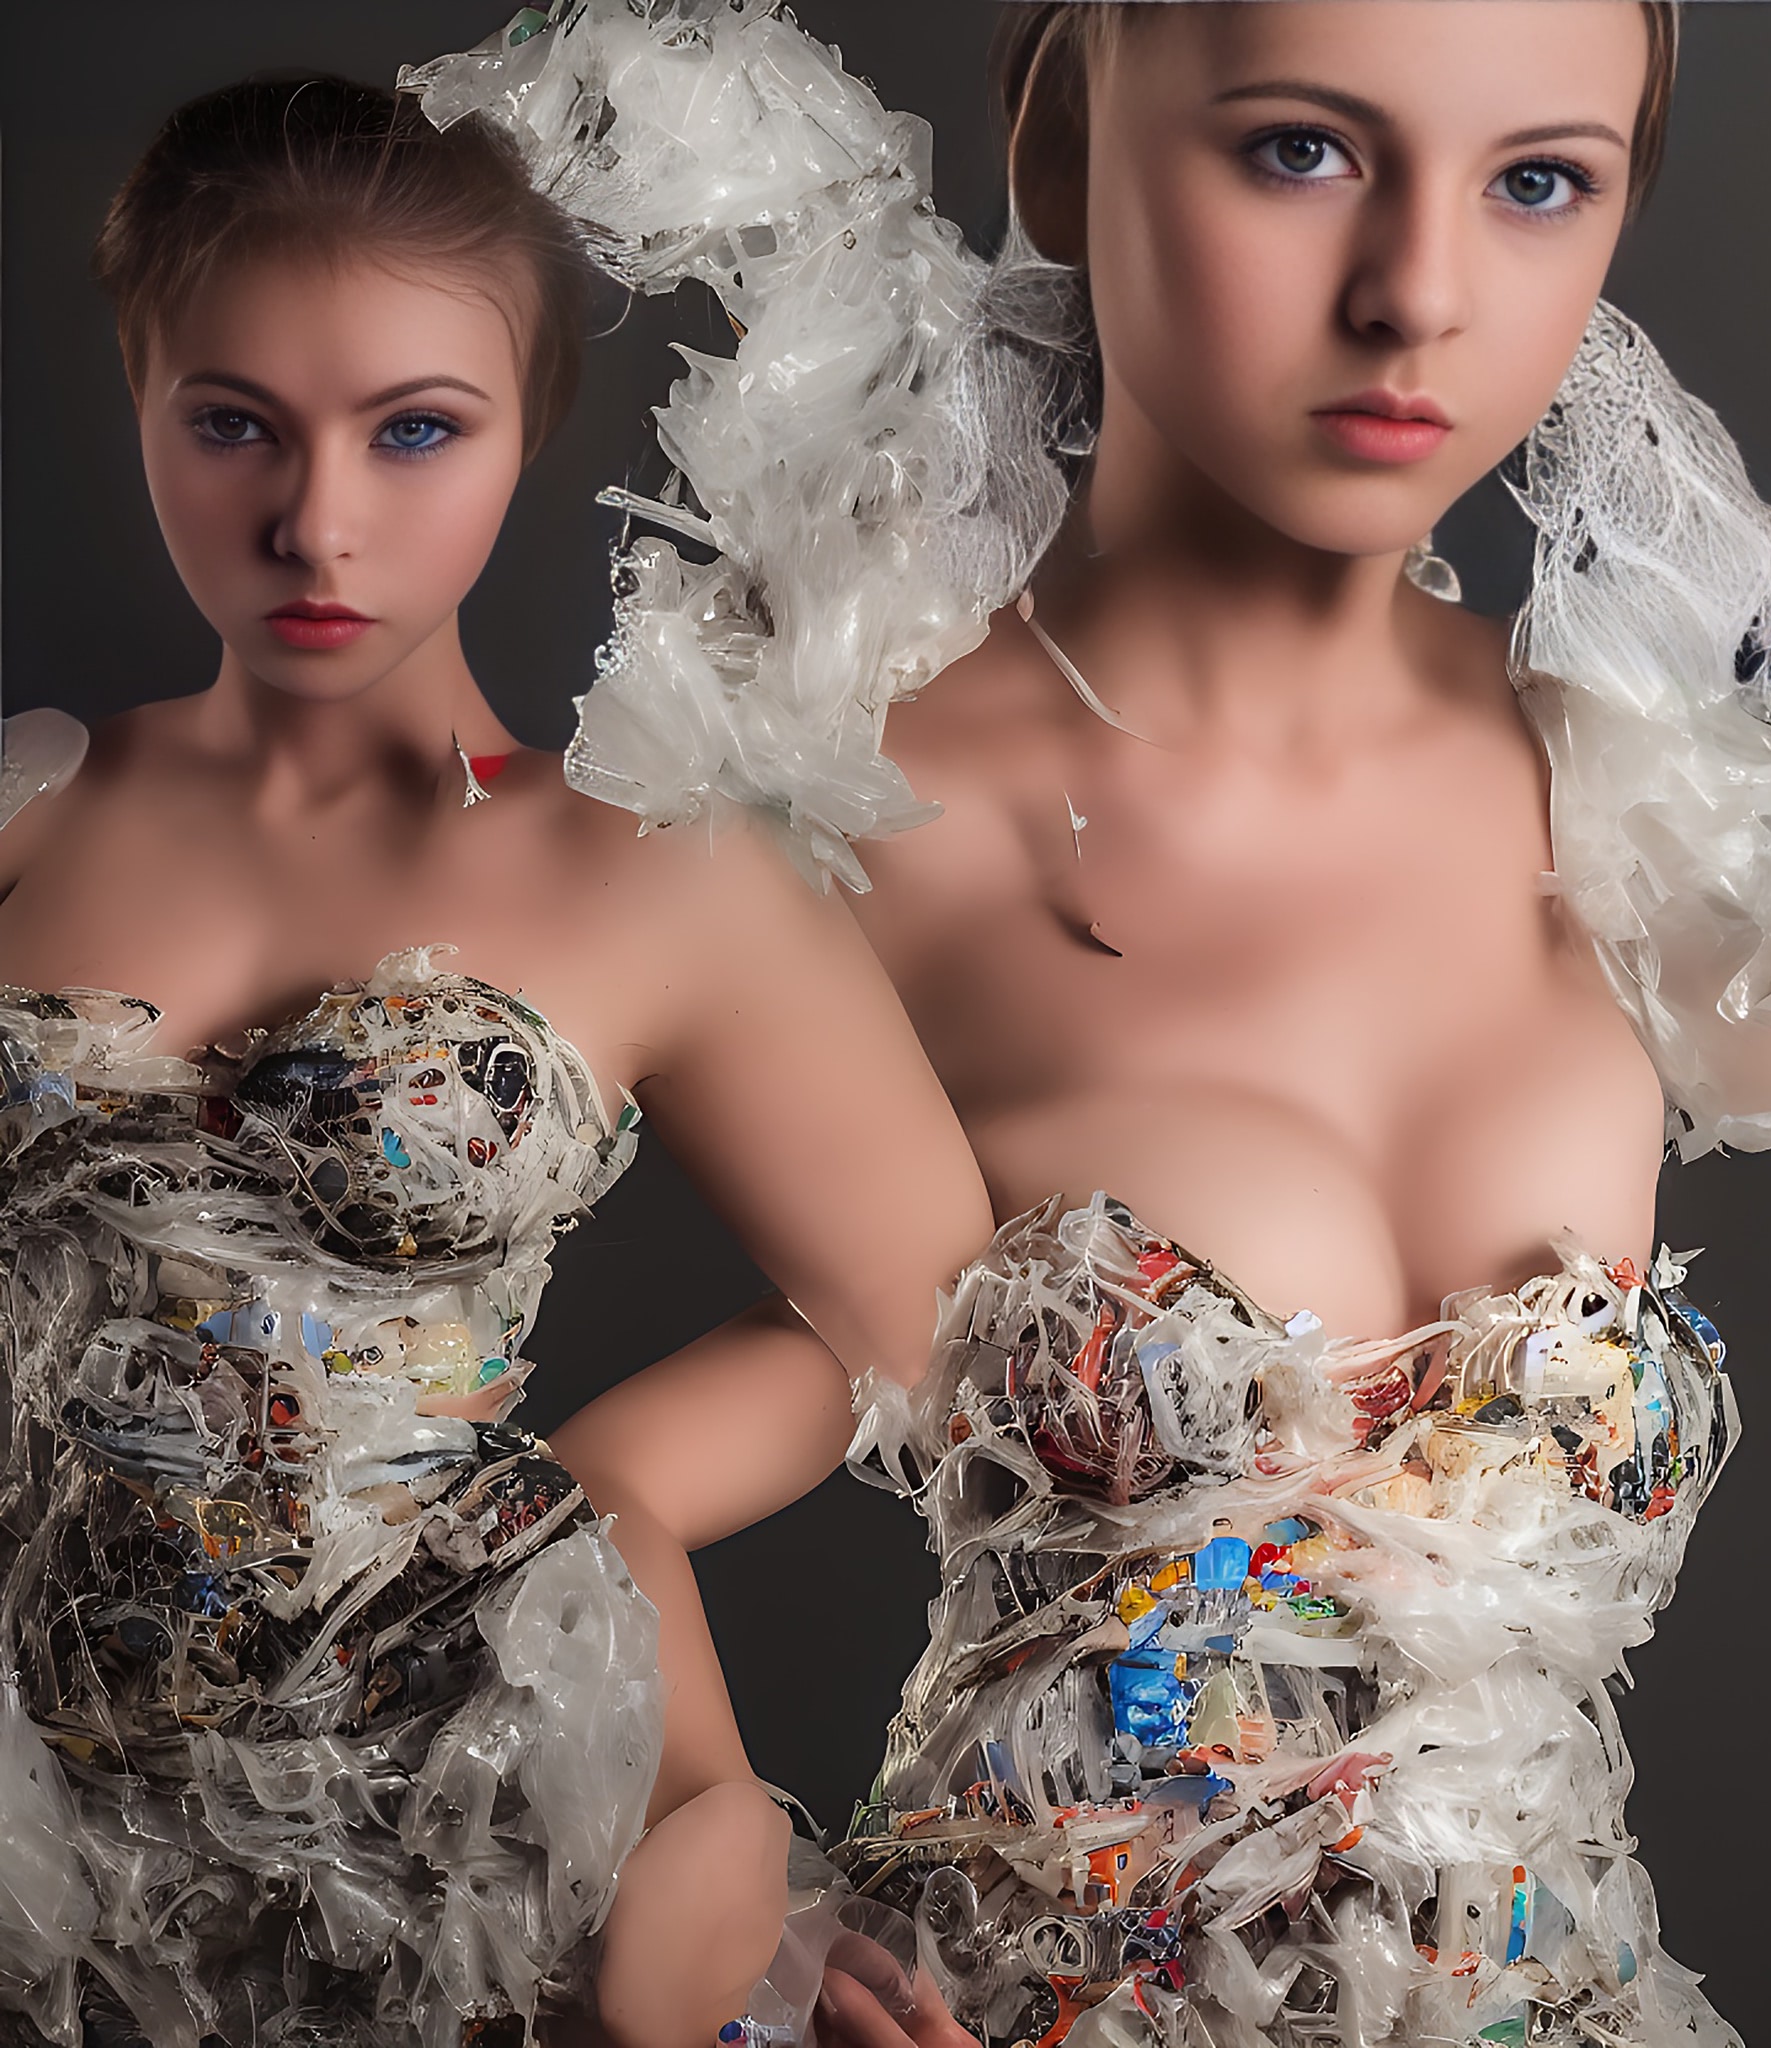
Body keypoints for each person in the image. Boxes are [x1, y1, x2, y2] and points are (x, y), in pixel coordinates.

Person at [536, 2, 1771, 2044]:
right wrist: (732, 1909)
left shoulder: (1647, 810)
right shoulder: (837, 797)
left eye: (1538, 182)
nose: (1416, 293)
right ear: (1062, 143)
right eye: (1302, 150)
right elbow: (532, 1463)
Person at [0, 71, 994, 2048]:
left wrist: (621, 1485)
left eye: (416, 430)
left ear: (529, 432)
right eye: (233, 427)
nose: (317, 520)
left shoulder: (653, 868)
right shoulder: (29, 801)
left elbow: (929, 1318)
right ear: (141, 400)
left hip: (475, 1862)